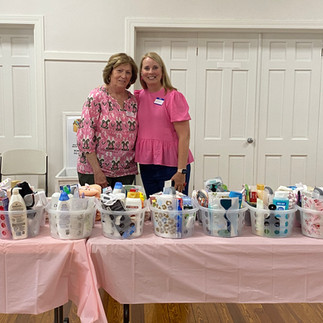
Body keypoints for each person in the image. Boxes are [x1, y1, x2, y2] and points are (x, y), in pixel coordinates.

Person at [135, 52, 194, 197]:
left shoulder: (173, 97)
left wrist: (181, 171)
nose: (151, 72)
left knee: (174, 210)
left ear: (162, 71)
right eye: (146, 68)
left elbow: (184, 136)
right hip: (147, 163)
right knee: (154, 210)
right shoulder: (137, 97)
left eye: (155, 67)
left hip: (172, 165)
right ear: (141, 73)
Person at [77, 53, 138, 189]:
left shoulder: (132, 101)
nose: (124, 76)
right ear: (110, 72)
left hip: (125, 172)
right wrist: (97, 171)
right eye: (119, 71)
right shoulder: (96, 96)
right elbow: (85, 137)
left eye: (128, 72)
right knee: (97, 210)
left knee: (122, 209)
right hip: (94, 171)